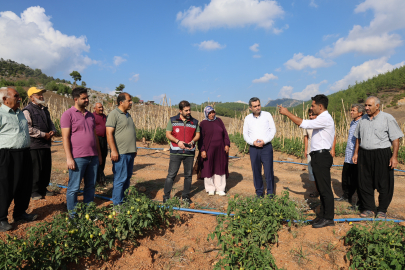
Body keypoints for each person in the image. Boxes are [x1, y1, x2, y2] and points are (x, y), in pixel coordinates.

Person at [279, 94, 335, 228]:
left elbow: (303, 123)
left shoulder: (325, 118)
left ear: (320, 107)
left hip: (322, 157)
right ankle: (322, 215)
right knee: (321, 188)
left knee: (325, 189)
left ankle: (328, 218)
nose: (311, 108)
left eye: (313, 105)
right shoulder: (322, 118)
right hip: (317, 156)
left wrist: (287, 113)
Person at [352, 96, 403, 219]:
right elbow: (358, 138)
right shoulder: (362, 119)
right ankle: (369, 208)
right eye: (365, 105)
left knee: (384, 183)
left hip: (382, 154)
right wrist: (356, 153)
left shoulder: (387, 118)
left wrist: (394, 157)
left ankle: (382, 210)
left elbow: (395, 139)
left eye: (369, 105)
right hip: (364, 154)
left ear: (377, 106)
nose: (366, 108)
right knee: (364, 182)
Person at [0, 87, 37, 232]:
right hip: (6, 155)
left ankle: (20, 213)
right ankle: (1, 218)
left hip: (24, 153)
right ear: (5, 99)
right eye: (16, 96)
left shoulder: (20, 113)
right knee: (5, 186)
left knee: (24, 184)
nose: (19, 98)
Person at [61, 87, 102, 213]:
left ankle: (87, 212)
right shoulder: (68, 115)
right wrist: (69, 158)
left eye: (87, 97)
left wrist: (99, 155)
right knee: (74, 187)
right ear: (76, 99)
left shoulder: (90, 115)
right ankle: (73, 214)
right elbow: (65, 137)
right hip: (78, 157)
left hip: (93, 156)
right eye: (84, 98)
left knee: (90, 186)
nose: (87, 100)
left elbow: (95, 136)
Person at [23, 87, 57, 200]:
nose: (41, 96)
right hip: (35, 145)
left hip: (46, 144)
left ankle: (43, 188)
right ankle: (34, 191)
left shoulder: (44, 109)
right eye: (38, 94)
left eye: (41, 94)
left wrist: (53, 131)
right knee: (35, 169)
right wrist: (43, 134)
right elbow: (27, 128)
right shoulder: (27, 110)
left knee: (46, 168)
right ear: (31, 97)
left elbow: (50, 123)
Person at [163, 100, 200, 204]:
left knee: (188, 175)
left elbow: (197, 134)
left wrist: (193, 141)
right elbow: (168, 134)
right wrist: (178, 142)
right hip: (176, 152)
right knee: (171, 175)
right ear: (180, 111)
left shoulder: (194, 122)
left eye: (189, 110)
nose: (189, 112)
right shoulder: (173, 120)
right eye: (186, 110)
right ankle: (166, 196)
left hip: (189, 152)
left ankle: (185, 196)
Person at [106, 93, 137, 207]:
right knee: (120, 178)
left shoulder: (128, 115)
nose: (131, 102)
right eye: (129, 100)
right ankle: (117, 205)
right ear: (121, 102)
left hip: (129, 153)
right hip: (120, 153)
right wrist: (113, 151)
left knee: (127, 178)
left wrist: (134, 149)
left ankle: (124, 201)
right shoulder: (114, 114)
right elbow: (109, 133)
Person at [243, 97, 276, 197]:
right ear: (250, 108)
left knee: (268, 171)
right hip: (253, 148)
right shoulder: (247, 118)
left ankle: (270, 194)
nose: (258, 107)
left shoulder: (267, 115)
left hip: (266, 147)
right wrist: (253, 142)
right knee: (256, 171)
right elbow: (245, 134)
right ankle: (259, 193)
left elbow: (273, 130)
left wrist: (264, 141)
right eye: (255, 106)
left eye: (259, 105)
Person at [335, 104, 365, 208]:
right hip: (349, 155)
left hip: (356, 156)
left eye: (353, 111)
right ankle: (346, 196)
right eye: (351, 110)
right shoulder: (353, 122)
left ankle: (359, 202)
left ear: (360, 113)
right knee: (346, 177)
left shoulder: (362, 123)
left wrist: (356, 153)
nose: (351, 112)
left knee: (356, 179)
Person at [198, 106, 230, 196]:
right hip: (209, 149)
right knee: (208, 167)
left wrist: (227, 144)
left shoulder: (219, 121)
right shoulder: (203, 124)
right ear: (206, 114)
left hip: (220, 149)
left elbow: (225, 133)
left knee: (220, 167)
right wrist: (203, 150)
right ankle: (210, 188)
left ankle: (220, 188)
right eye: (210, 113)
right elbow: (201, 139)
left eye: (213, 112)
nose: (212, 114)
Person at [303, 109, 318, 197]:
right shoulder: (307, 125)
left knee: (320, 172)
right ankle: (317, 190)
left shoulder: (320, 123)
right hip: (310, 151)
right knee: (312, 172)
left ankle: (322, 191)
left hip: (319, 152)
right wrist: (306, 149)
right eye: (310, 115)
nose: (311, 117)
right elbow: (306, 138)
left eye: (313, 115)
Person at [93, 102, 108, 186]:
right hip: (96, 139)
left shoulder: (104, 117)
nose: (101, 109)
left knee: (103, 156)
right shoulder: (92, 116)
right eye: (99, 107)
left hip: (104, 139)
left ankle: (100, 176)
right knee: (97, 158)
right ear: (94, 109)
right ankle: (96, 178)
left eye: (102, 107)